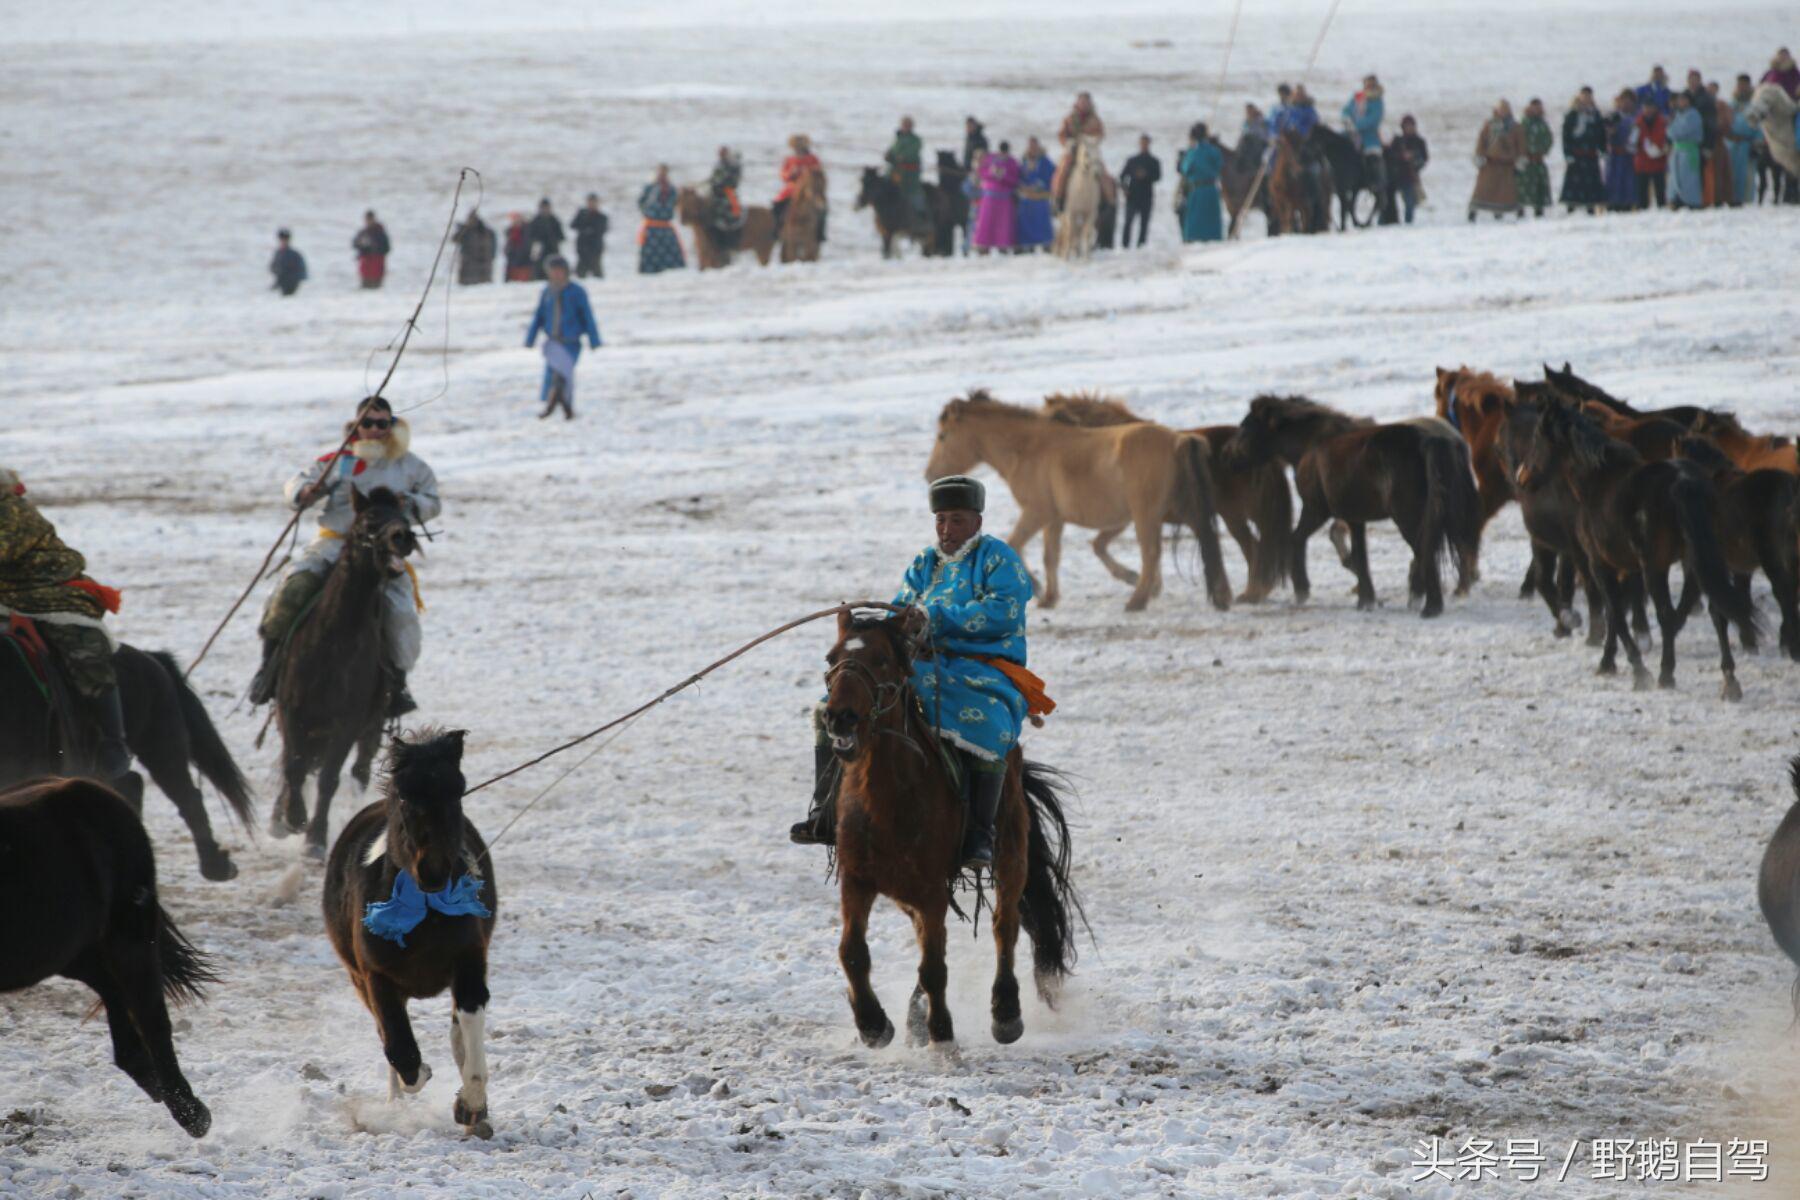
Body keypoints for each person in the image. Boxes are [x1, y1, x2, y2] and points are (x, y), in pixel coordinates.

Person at [790, 475, 1036, 869]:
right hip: (922, 665)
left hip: (982, 666)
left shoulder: (999, 559)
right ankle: (826, 812)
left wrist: (932, 616)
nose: (946, 529)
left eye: (956, 520)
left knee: (990, 725)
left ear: (977, 520)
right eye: (940, 519)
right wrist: (885, 621)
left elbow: (1002, 612)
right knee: (832, 708)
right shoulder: (925, 562)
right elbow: (903, 607)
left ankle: (979, 835)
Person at [250, 396, 440, 717]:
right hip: (332, 545)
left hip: (381, 555)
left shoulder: (410, 466)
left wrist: (409, 504)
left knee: (401, 612)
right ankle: (267, 671)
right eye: (368, 423)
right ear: (357, 425)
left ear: (391, 425)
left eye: (382, 423)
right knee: (290, 591)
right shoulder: (339, 461)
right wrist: (304, 493)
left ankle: (396, 684)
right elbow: (299, 481)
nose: (375, 430)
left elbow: (433, 500)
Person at [0, 467, 140, 806]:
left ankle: (111, 740)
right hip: (6, 594)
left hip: (46, 591)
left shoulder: (12, 511)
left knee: (84, 646)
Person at [524, 255, 601, 420]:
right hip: (553, 342)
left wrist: (594, 339)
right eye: (553, 271)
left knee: (563, 375)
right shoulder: (547, 292)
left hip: (571, 343)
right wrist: (530, 338)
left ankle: (559, 407)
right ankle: (562, 408)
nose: (557, 274)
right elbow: (539, 317)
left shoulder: (576, 292)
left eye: (559, 271)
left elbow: (587, 316)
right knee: (554, 376)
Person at [1469, 100, 1525, 220]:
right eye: (1501, 109)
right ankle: (1473, 212)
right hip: (1490, 164)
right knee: (1482, 191)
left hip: (1507, 166)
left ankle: (1504, 212)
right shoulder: (1489, 125)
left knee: (1506, 192)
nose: (1503, 111)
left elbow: (1520, 145)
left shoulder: (1515, 127)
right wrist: (1480, 155)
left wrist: (1520, 159)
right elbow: (1481, 142)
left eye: (1505, 109)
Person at [1054, 92, 1106, 209]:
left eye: (1086, 102)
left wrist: (1093, 140)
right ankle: (1058, 198)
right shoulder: (1069, 119)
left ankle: (1107, 201)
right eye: (1082, 102)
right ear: (1077, 103)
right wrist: (1068, 142)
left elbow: (1101, 134)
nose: (1084, 105)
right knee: (1063, 169)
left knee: (1102, 173)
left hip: (1090, 150)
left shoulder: (1095, 120)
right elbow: (1062, 135)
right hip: (1073, 151)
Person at [1560, 88, 1607, 215]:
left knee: (1591, 185)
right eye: (1584, 96)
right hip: (1577, 156)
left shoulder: (1595, 115)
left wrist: (1603, 149)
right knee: (1574, 185)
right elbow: (1566, 136)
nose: (1586, 99)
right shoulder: (1572, 115)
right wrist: (1568, 154)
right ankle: (1571, 208)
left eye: (1589, 96)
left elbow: (1601, 134)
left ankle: (1591, 208)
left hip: (1591, 155)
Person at [1341, 74, 1387, 199]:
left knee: (1372, 156)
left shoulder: (1377, 101)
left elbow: (1374, 118)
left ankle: (1374, 181)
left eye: (1371, 84)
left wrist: (1357, 125)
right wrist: (1347, 120)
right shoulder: (1357, 97)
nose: (1369, 86)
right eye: (1367, 84)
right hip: (1350, 133)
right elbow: (1346, 110)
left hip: (1369, 136)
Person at [637, 165, 686, 274]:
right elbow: (640, 202)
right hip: (651, 227)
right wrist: (647, 211)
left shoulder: (672, 189)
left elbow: (676, 203)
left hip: (665, 227)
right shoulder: (649, 188)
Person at [971, 142, 1017, 254]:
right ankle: (983, 246)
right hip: (989, 197)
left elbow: (1015, 179)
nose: (1003, 154)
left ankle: (1003, 246)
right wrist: (992, 173)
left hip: (1004, 198)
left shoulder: (1012, 162)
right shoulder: (991, 159)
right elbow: (981, 172)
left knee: (1003, 224)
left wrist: (1003, 176)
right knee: (986, 223)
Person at [773, 134, 823, 237]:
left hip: (810, 189)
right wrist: (791, 173)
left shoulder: (813, 159)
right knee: (777, 205)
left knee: (822, 209)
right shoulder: (789, 159)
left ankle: (820, 233)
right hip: (792, 188)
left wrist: (808, 173)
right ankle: (776, 229)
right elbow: (783, 175)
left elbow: (819, 174)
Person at [1118, 134, 1162, 247]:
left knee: (1144, 224)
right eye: (1142, 143)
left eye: (1145, 143)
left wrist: (1146, 175)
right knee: (1128, 222)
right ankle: (1125, 245)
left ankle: (1141, 245)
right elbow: (1122, 176)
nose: (1144, 145)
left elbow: (1158, 177)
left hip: (1146, 196)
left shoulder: (1154, 161)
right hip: (1132, 196)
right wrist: (1125, 189)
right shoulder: (1132, 160)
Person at [1385, 113, 1429, 223]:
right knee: (1388, 201)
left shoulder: (1419, 142)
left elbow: (1424, 159)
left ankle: (1408, 223)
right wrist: (1401, 156)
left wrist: (1413, 158)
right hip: (1395, 176)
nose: (1409, 128)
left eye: (1411, 125)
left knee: (1410, 203)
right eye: (1406, 126)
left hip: (1409, 177)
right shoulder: (1398, 140)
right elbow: (1390, 156)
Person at [886, 116, 927, 226]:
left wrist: (901, 158)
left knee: (914, 194)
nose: (905, 127)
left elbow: (910, 154)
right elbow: (892, 152)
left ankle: (921, 216)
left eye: (908, 125)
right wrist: (888, 156)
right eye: (904, 124)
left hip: (910, 176)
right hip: (894, 174)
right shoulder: (897, 139)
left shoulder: (916, 140)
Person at [1016, 137, 1056, 251]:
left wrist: (1040, 184)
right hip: (1027, 198)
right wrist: (1022, 185)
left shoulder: (1045, 162)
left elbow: (1051, 175)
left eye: (1034, 146)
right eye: (1030, 146)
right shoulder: (1024, 161)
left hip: (1040, 197)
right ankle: (1027, 245)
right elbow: (1019, 175)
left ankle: (1046, 244)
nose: (1032, 148)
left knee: (1041, 223)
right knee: (1026, 222)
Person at [1666, 92, 1704, 209]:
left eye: (1683, 100)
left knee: (1689, 177)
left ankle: (1690, 201)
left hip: (1688, 150)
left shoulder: (1693, 114)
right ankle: (1675, 199)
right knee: (1675, 177)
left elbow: (1682, 130)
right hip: (1677, 150)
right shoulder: (1678, 115)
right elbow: (1670, 131)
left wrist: (1673, 131)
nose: (1681, 102)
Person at [1516, 98, 1553, 217]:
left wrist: (1544, 150)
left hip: (1538, 159)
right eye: (1534, 107)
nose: (1537, 109)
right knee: (1522, 186)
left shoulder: (1543, 124)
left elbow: (1549, 138)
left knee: (1539, 186)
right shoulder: (1524, 123)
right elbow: (1518, 139)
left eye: (1539, 107)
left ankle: (1539, 210)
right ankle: (1520, 210)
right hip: (1526, 160)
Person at [1727, 75, 1761, 205]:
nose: (1742, 88)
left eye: (1744, 85)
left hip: (1747, 145)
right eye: (1740, 85)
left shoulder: (1754, 105)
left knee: (1747, 176)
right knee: (1731, 174)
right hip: (1732, 144)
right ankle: (1732, 199)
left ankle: (1746, 201)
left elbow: (1759, 126)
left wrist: (1757, 143)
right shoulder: (1731, 105)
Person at [1605, 90, 1640, 212]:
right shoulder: (1613, 116)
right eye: (1623, 101)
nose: (1626, 104)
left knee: (1628, 182)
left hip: (1629, 156)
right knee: (1613, 181)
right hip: (1615, 156)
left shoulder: (1636, 118)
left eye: (1629, 101)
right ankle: (1612, 204)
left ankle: (1628, 204)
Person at [1633, 98, 1670, 209]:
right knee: (1642, 191)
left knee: (1660, 189)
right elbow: (1632, 142)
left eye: (1650, 107)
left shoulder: (1662, 122)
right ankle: (1642, 209)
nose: (1648, 110)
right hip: (1642, 161)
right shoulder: (1638, 123)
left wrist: (1660, 149)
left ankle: (1662, 208)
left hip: (1658, 161)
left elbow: (1665, 139)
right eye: (1646, 107)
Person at [707, 146, 745, 241]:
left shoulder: (732, 165)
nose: (722, 155)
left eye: (723, 153)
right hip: (716, 191)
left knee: (727, 207)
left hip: (727, 191)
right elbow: (715, 177)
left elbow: (731, 179)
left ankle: (729, 228)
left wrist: (719, 181)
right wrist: (712, 181)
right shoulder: (719, 164)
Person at [570, 194, 608, 279]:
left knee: (597, 273)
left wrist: (591, 230)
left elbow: (602, 230)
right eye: (590, 202)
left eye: (593, 202)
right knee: (580, 273)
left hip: (595, 249)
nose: (591, 204)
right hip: (582, 248)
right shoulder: (582, 214)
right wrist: (584, 229)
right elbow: (573, 225)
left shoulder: (601, 217)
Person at [454, 209, 496, 284]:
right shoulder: (466, 231)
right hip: (469, 262)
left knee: (482, 286)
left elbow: (493, 246)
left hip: (481, 263)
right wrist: (461, 229)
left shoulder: (486, 232)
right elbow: (455, 239)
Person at [527, 199, 565, 279]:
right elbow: (529, 236)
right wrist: (536, 242)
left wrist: (553, 239)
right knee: (538, 271)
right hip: (539, 250)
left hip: (552, 250)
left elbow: (561, 236)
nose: (545, 210)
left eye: (546, 207)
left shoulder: (554, 220)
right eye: (543, 207)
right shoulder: (535, 221)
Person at [352, 210, 389, 289]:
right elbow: (355, 244)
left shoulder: (379, 232)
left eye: (369, 219)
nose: (368, 221)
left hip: (377, 266)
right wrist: (363, 246)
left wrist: (373, 248)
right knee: (365, 289)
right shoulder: (363, 232)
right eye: (367, 219)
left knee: (376, 289)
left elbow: (386, 248)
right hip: (366, 267)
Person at [270, 229, 307, 296]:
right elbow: (273, 267)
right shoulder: (279, 253)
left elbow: (301, 270)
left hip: (292, 282)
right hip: (282, 282)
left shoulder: (294, 254)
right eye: (282, 239)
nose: (283, 241)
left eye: (285, 239)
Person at [503, 212, 533, 282]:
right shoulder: (510, 231)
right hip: (513, 261)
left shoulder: (527, 230)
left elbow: (527, 245)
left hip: (524, 261)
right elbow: (508, 245)